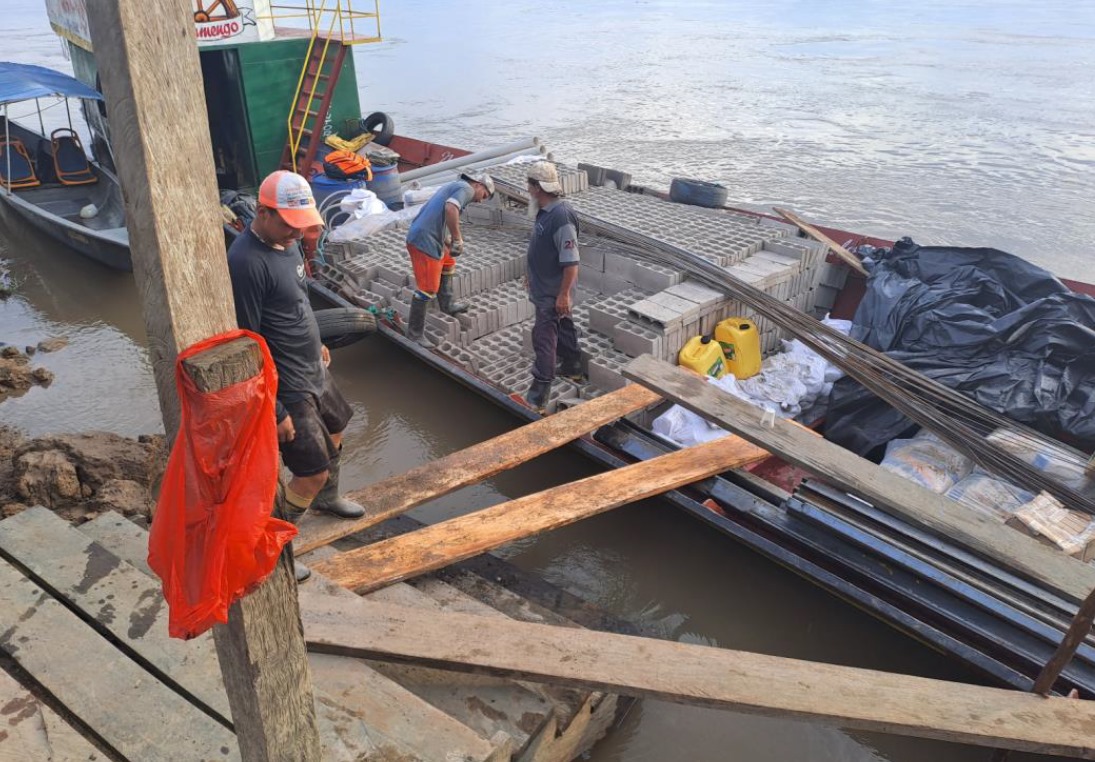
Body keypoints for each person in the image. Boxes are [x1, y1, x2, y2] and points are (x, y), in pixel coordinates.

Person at [227, 170, 369, 580]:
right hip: (287, 384)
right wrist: (275, 409)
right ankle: (273, 548)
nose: (296, 233)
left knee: (338, 425)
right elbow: (247, 341)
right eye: (288, 224)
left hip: (312, 364)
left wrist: (317, 340)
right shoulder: (245, 262)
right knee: (310, 472)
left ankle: (327, 498)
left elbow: (298, 301)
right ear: (264, 212)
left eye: (301, 224)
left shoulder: (287, 246)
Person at [403, 171, 495, 346]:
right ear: (478, 185)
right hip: (423, 240)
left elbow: (439, 215)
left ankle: (447, 305)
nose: (481, 201)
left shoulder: (454, 186)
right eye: (484, 195)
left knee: (448, 261)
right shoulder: (466, 189)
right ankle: (414, 333)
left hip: (429, 235)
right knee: (428, 288)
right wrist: (457, 238)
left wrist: (447, 241)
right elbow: (451, 208)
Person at [524, 161, 582, 411]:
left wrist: (563, 295)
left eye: (529, 184)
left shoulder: (561, 217)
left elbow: (571, 262)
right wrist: (530, 274)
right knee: (564, 325)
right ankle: (573, 367)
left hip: (553, 293)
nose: (527, 189)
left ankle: (539, 394)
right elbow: (541, 249)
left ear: (538, 187)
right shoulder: (544, 211)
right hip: (547, 288)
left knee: (544, 338)